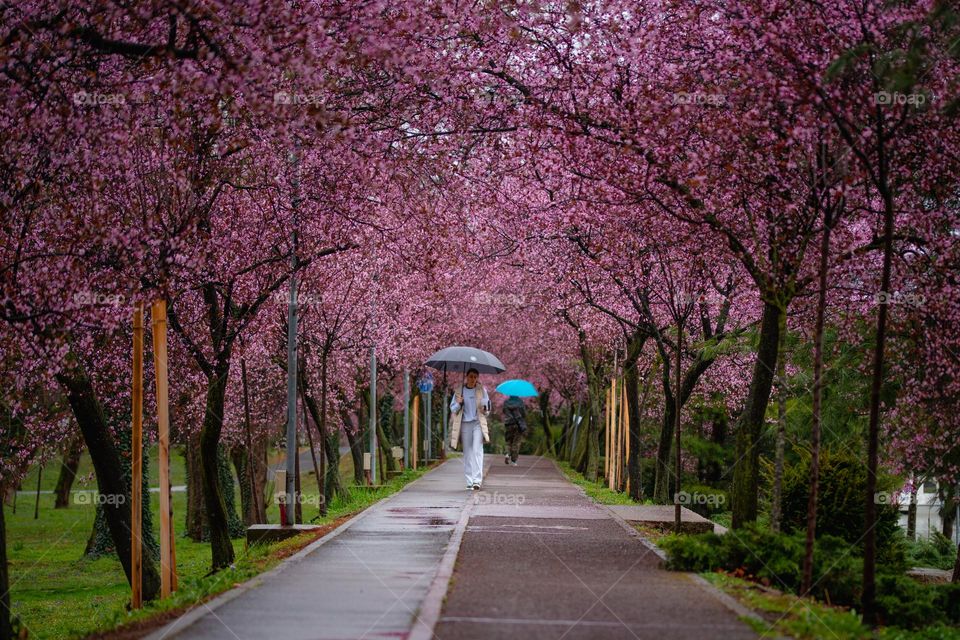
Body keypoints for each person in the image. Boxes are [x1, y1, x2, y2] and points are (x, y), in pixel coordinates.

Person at [449, 368, 490, 490]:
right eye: (471, 376)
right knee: (467, 453)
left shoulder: (482, 390)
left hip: (477, 423)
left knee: (477, 450)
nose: (473, 379)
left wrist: (485, 410)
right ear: (466, 377)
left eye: (475, 377)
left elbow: (487, 410)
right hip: (465, 424)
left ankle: (477, 480)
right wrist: (459, 403)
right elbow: (453, 409)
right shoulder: (459, 391)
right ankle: (469, 480)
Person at [502, 395, 527, 465]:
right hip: (518, 424)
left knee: (508, 440)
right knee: (516, 442)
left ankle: (507, 453)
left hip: (508, 424)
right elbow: (524, 414)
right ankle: (513, 461)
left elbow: (504, 411)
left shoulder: (506, 402)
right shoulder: (520, 402)